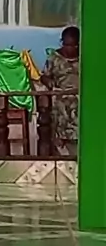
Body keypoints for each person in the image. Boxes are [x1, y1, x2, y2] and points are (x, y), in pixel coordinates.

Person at [40, 26, 80, 156]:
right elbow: (44, 76)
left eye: (72, 45)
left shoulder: (85, 57)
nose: (68, 48)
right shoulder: (54, 58)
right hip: (61, 102)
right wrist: (49, 82)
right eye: (65, 44)